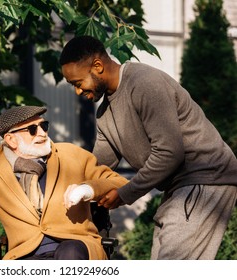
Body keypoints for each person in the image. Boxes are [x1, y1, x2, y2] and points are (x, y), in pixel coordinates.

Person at [59, 35, 237, 260]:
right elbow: (98, 166)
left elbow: (169, 152)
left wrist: (125, 193)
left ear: (97, 66)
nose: (77, 92)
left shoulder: (144, 83)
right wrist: (67, 184)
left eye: (78, 83)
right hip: (178, 187)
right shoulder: (104, 114)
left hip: (205, 178)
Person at [0, 105, 128, 260]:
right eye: (33, 130)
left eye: (44, 126)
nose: (43, 133)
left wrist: (88, 189)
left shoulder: (71, 156)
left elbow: (117, 182)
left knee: (69, 253)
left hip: (75, 249)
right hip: (25, 255)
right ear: (11, 140)